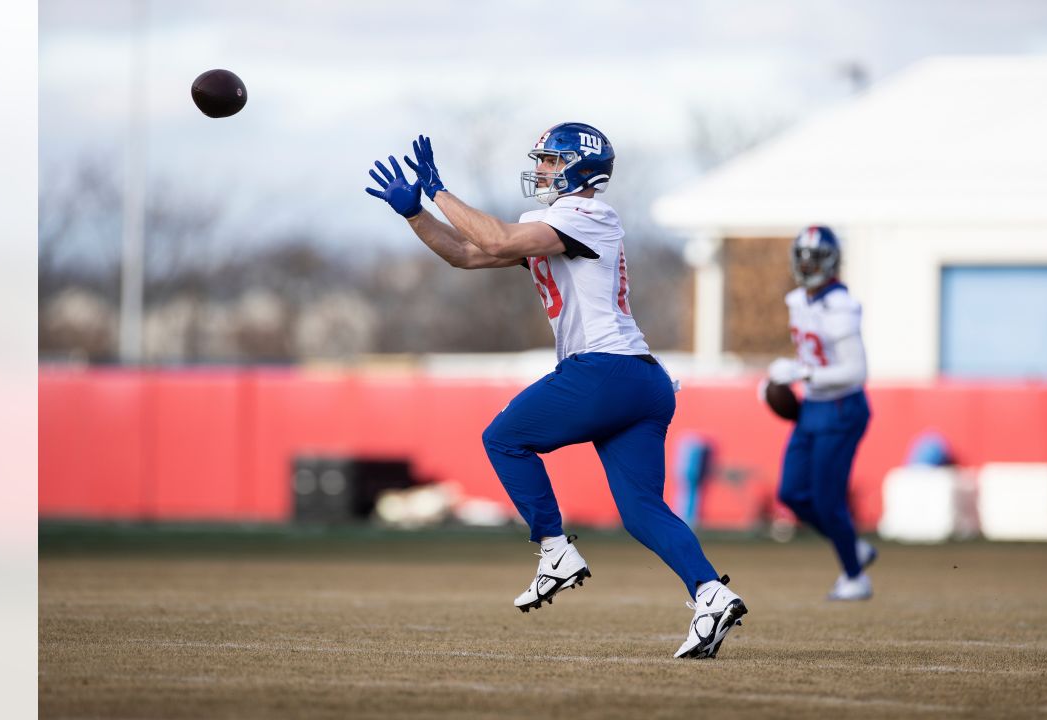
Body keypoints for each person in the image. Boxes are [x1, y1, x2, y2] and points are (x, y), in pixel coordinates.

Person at [365, 122, 747, 659]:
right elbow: (467, 254)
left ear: (580, 165)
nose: (541, 168)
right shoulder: (555, 222)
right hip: (641, 381)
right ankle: (711, 594)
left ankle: (555, 551)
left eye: (550, 159)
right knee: (641, 511)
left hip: (605, 369)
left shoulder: (583, 214)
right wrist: (415, 215)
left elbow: (493, 238)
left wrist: (438, 190)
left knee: (503, 438)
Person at [766, 226, 877, 600]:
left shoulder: (840, 306)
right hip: (813, 404)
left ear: (831, 261)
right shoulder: (798, 300)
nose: (808, 264)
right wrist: (786, 375)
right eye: (804, 256)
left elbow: (856, 371)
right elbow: (810, 354)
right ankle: (851, 546)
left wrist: (803, 373)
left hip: (842, 405)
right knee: (793, 492)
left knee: (829, 499)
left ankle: (854, 577)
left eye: (815, 257)